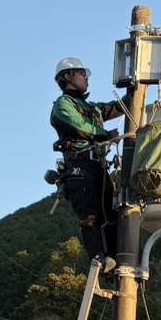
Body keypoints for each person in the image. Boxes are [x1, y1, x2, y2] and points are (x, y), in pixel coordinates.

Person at [50, 57, 128, 268]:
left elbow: (115, 108)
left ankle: (114, 259)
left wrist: (133, 93)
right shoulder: (63, 105)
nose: (86, 78)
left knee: (111, 214)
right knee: (90, 216)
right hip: (79, 167)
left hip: (98, 166)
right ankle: (98, 258)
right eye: (82, 73)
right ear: (68, 76)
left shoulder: (91, 108)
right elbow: (79, 127)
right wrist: (105, 134)